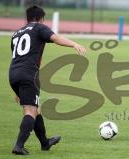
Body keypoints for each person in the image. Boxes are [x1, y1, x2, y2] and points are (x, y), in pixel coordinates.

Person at [9, 5, 86, 155]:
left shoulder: (16, 33)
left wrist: (18, 89)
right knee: (30, 111)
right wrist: (74, 44)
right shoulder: (39, 28)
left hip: (13, 73)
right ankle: (18, 145)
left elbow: (20, 56)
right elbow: (55, 38)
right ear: (41, 19)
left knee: (37, 110)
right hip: (28, 74)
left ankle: (45, 143)